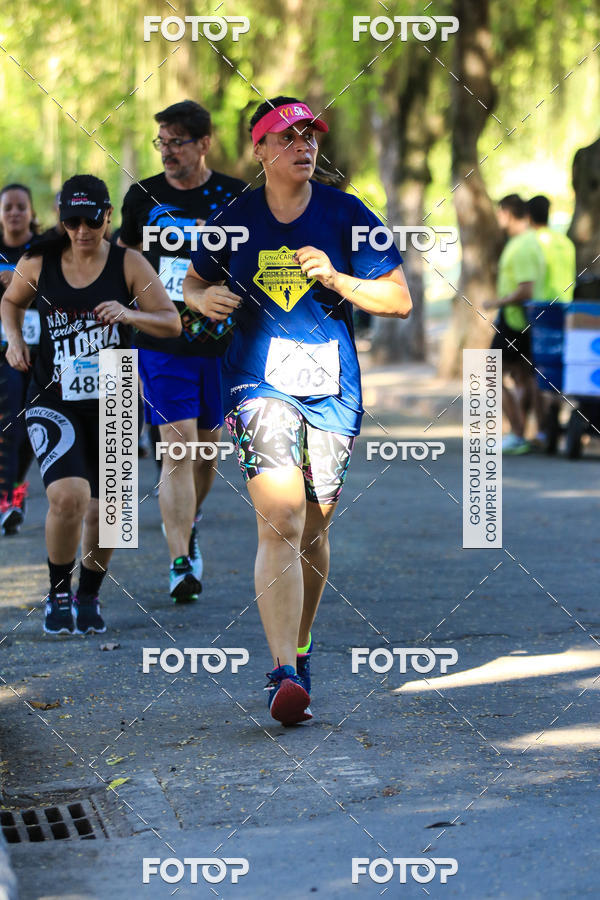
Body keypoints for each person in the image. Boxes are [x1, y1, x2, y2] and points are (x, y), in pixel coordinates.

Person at [183, 96, 412, 725]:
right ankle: (282, 670)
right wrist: (204, 301)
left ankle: (302, 644)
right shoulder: (234, 219)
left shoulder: (348, 215)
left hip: (332, 387)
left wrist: (338, 279)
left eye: (310, 135)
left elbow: (398, 301)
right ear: (259, 150)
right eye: (287, 137)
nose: (303, 146)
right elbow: (194, 282)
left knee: (314, 527)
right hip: (257, 383)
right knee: (280, 519)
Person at [1, 174, 180, 635]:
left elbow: (171, 322)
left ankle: (89, 592)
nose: (82, 231)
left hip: (117, 394)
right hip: (53, 394)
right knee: (68, 497)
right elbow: (11, 301)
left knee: (110, 511)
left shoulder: (129, 263)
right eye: (72, 221)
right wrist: (15, 340)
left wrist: (130, 313)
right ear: (62, 220)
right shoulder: (39, 261)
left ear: (108, 217)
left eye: (92, 220)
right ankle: (59, 589)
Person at [119, 100, 247, 602]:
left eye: (177, 142)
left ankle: (189, 521)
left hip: (220, 343)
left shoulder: (236, 196)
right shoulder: (143, 196)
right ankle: (179, 561)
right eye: (162, 142)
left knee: (206, 450)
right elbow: (126, 256)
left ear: (204, 143)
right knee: (176, 445)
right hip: (162, 340)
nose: (168, 152)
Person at [483, 194, 546, 455]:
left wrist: (497, 301)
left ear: (507, 212)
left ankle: (519, 433)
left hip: (515, 322)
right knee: (524, 376)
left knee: (490, 373)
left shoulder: (522, 245)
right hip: (520, 321)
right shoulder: (526, 241)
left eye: (500, 213)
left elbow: (527, 290)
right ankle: (535, 432)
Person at [0, 183, 41, 534]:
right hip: (4, 349)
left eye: (20, 207)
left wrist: (24, 281)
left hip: (42, 348)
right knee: (9, 420)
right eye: (8, 207)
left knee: (31, 423)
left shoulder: (43, 249)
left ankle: (16, 487)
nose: (14, 212)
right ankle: (6, 496)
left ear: (31, 213)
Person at [527, 195, 576, 442]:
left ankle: (547, 426)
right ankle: (555, 416)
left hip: (541, 309)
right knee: (561, 362)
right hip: (567, 308)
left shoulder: (532, 242)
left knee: (542, 367)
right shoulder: (565, 242)